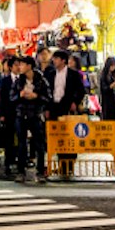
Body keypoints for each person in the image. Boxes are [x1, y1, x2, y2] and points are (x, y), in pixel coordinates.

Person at [11, 55, 49, 184]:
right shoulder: (18, 81)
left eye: (21, 64)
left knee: (39, 144)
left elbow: (48, 97)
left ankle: (40, 171)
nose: (19, 67)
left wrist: (36, 96)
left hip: (35, 115)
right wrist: (20, 95)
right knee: (21, 144)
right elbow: (11, 98)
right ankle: (21, 171)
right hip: (21, 115)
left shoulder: (41, 80)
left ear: (29, 66)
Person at [47, 49, 86, 120]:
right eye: (53, 58)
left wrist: (75, 102)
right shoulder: (50, 74)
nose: (54, 61)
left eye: (56, 58)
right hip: (52, 106)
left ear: (63, 60)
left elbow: (81, 90)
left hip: (67, 105)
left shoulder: (73, 74)